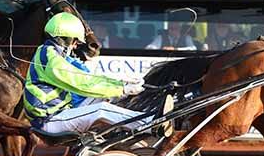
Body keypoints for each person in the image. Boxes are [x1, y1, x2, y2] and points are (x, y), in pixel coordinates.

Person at [24, 12, 171, 134]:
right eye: (75, 41)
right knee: (101, 109)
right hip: (49, 121)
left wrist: (121, 84)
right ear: (64, 38)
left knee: (109, 98)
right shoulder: (51, 58)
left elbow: (89, 77)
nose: (76, 45)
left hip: (60, 113)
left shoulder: (52, 53)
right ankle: (150, 123)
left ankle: (145, 116)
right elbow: (82, 84)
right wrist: (121, 89)